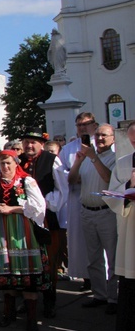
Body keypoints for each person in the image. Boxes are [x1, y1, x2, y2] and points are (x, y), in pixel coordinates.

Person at [0, 150, 50, 331]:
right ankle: (8, 313)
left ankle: (31, 317)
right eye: (2, 164)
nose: (5, 167)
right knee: (6, 271)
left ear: (16, 163)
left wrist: (13, 209)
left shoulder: (26, 182)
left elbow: (38, 206)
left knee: (26, 271)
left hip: (22, 232)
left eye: (8, 163)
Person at [68, 123, 118, 314]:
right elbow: (72, 180)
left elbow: (107, 178)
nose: (100, 139)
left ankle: (113, 298)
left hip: (105, 212)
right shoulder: (87, 159)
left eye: (104, 135)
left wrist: (93, 158)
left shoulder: (113, 159)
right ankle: (99, 295)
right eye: (97, 136)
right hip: (87, 211)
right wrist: (78, 161)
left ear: (113, 138)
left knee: (112, 257)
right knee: (94, 257)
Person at [19, 129, 68, 318]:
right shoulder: (18, 160)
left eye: (33, 142)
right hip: (23, 216)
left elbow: (62, 189)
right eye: (26, 142)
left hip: (46, 217)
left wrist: (46, 203)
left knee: (48, 259)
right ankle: (28, 300)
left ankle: (49, 301)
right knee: (25, 258)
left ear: (41, 143)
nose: (29, 146)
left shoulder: (51, 160)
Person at [104, 121, 135, 331]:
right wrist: (128, 188)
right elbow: (114, 195)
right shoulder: (124, 163)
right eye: (132, 140)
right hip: (131, 231)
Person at [60, 112, 99, 292]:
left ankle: (104, 279)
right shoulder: (68, 149)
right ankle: (86, 277)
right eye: (79, 125)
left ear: (94, 125)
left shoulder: (101, 145)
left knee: (100, 239)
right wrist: (76, 176)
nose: (82, 128)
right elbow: (60, 172)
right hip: (76, 197)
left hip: (98, 196)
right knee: (80, 240)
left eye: (86, 124)